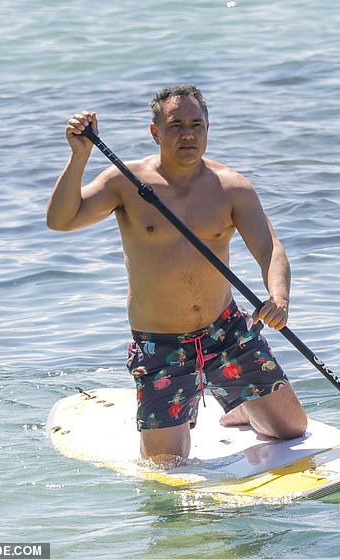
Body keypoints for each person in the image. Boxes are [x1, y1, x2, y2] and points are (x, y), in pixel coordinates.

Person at [47, 84, 307, 465]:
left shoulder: (232, 187)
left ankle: (238, 404)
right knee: (167, 462)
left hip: (227, 333)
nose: (188, 133)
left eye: (196, 124)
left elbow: (270, 248)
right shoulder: (126, 182)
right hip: (161, 346)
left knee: (291, 430)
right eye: (176, 125)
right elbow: (61, 220)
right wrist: (79, 157)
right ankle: (223, 400)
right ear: (156, 133)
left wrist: (279, 298)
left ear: (207, 128)